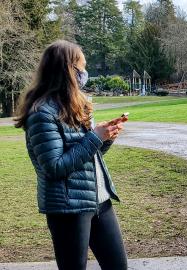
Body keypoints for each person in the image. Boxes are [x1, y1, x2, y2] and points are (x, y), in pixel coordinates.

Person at [14, 40, 128, 270]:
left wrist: (106, 137)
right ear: (67, 69)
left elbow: (88, 155)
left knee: (118, 266)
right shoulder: (41, 113)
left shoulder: (80, 104)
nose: (85, 73)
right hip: (68, 208)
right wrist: (95, 137)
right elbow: (54, 166)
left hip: (99, 201)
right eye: (82, 67)